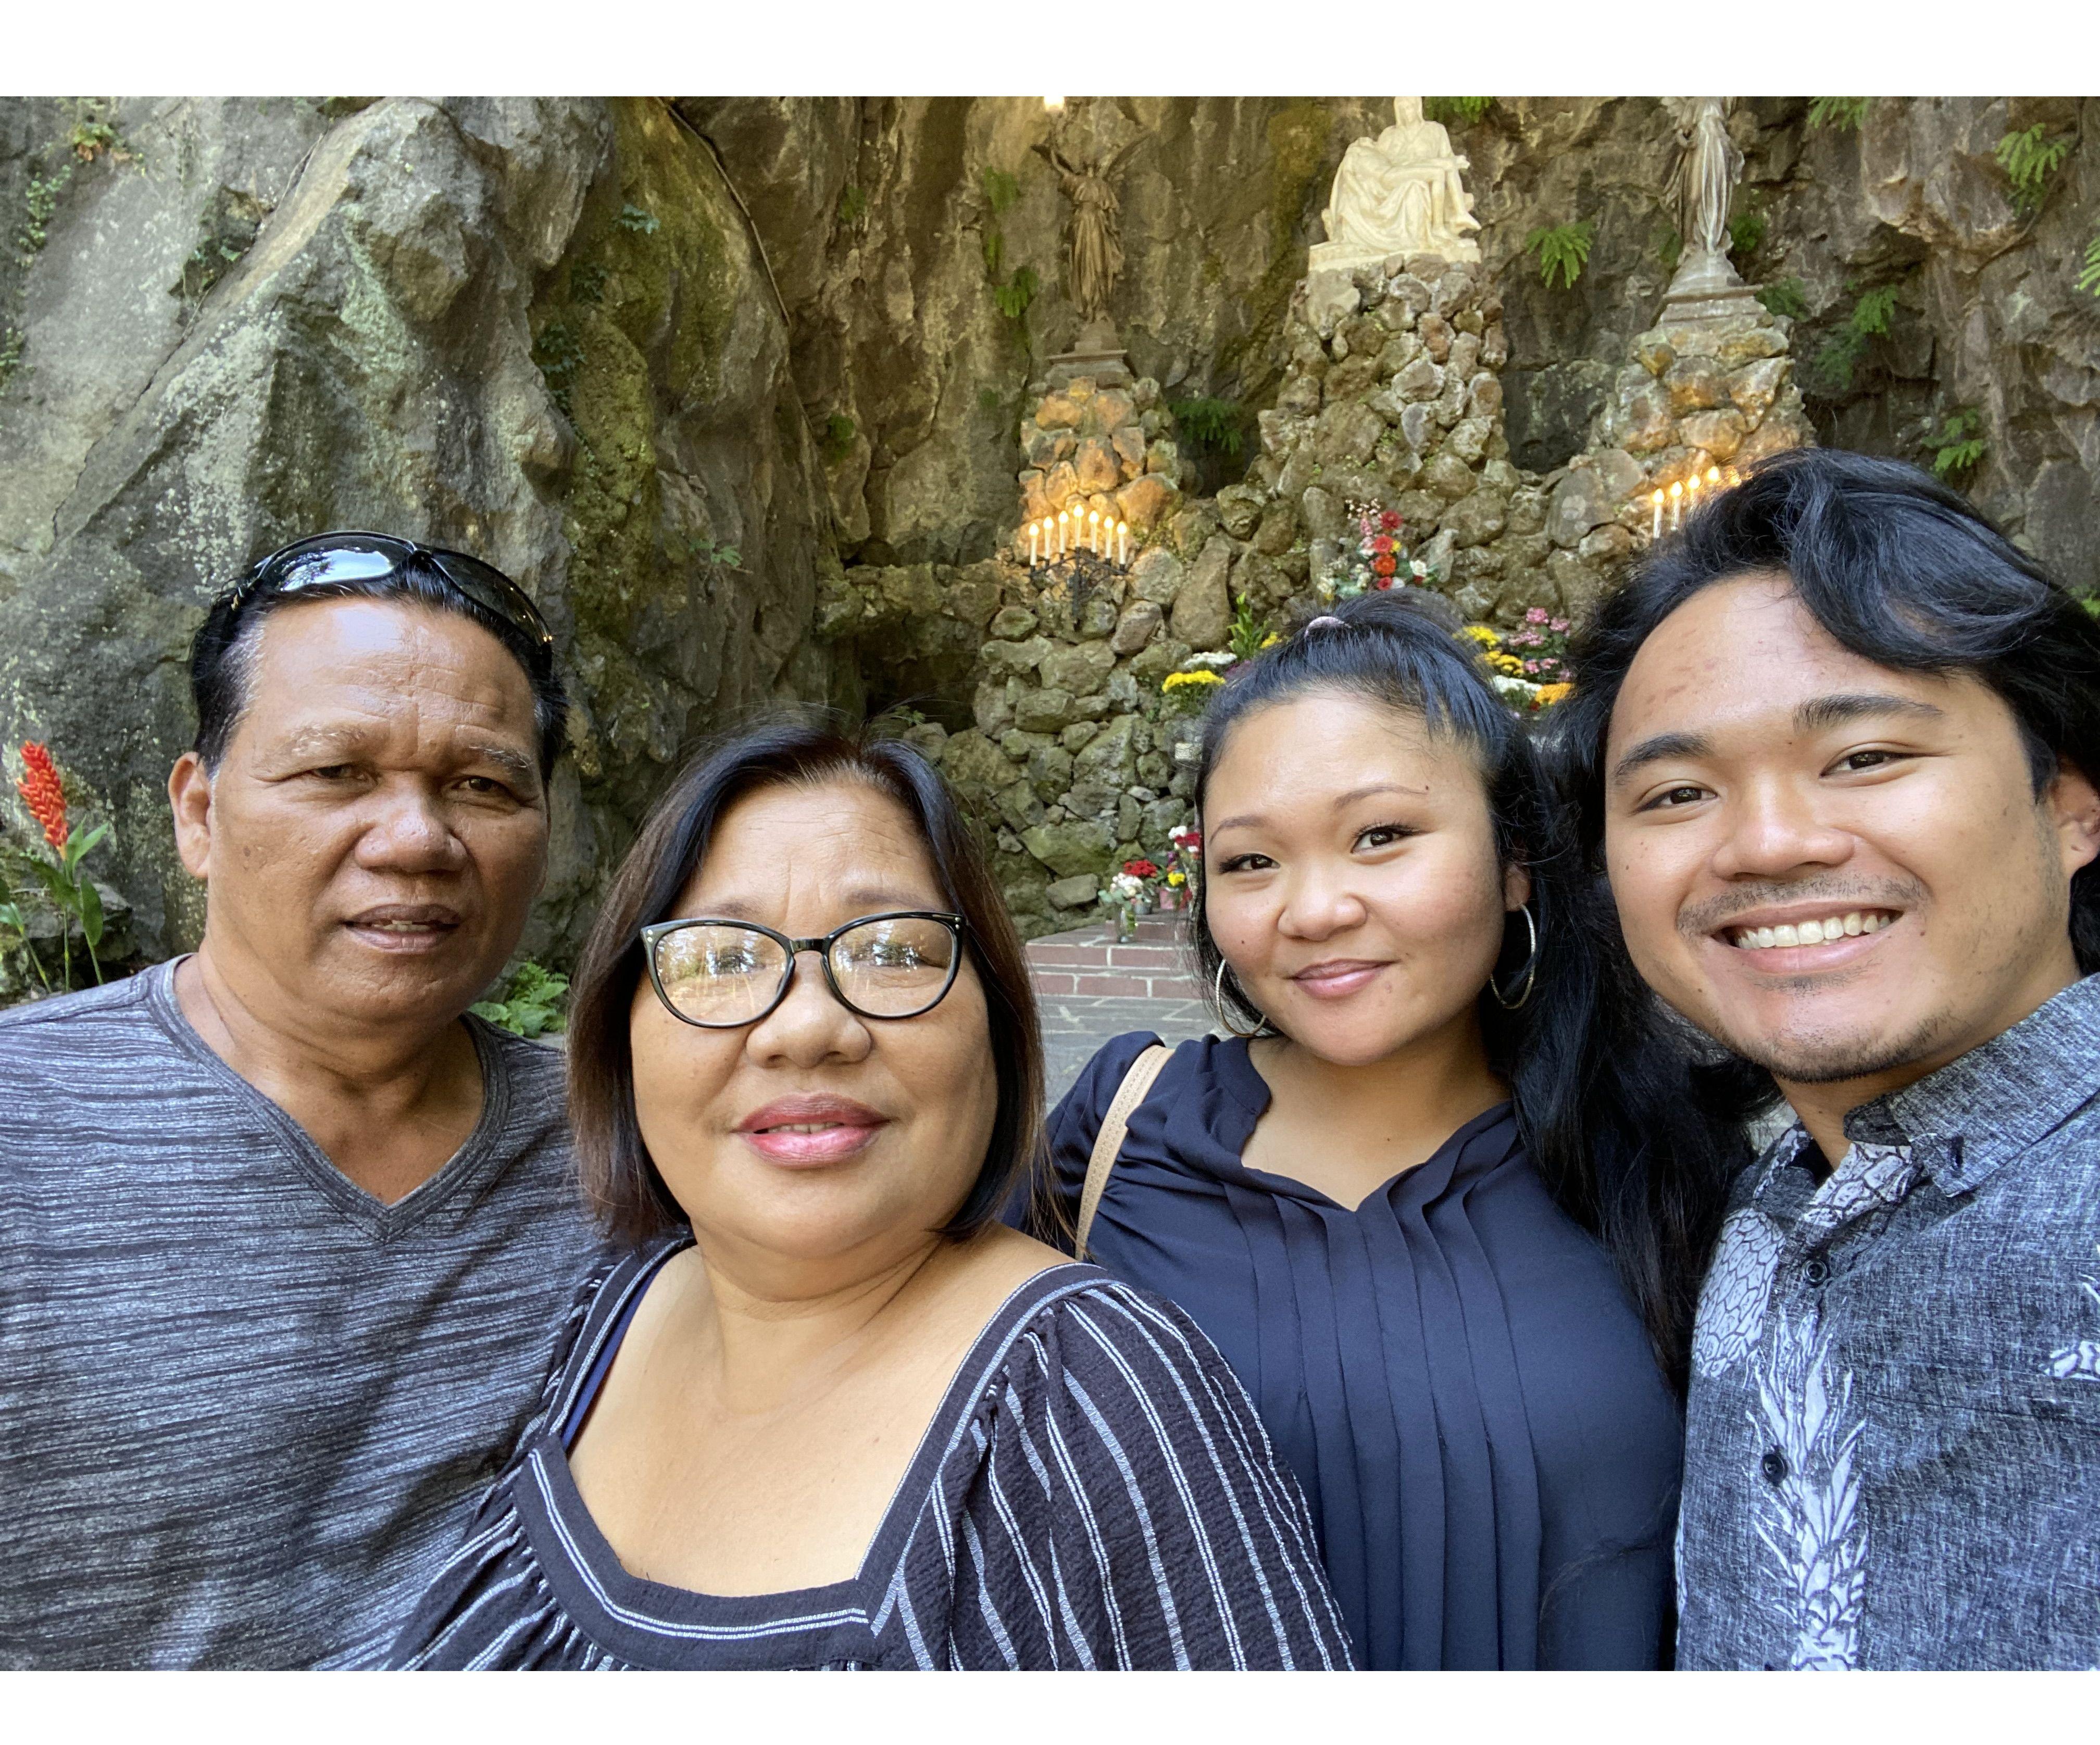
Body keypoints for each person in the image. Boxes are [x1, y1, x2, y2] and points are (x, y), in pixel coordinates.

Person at [390, 720, 1351, 1670]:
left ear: (995, 1021)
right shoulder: (611, 1308)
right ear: (619, 1031)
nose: (806, 1028)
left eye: (892, 951)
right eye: (722, 958)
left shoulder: (1098, 1399)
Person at [1023, 597, 1756, 1669]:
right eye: (1251, 862)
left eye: (1383, 837)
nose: (1312, 909)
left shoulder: (1662, 1152)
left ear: (1517, 861)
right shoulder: (1120, 1129)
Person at [0, 533, 609, 1669]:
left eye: (482, 786)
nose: (418, 839)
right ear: (198, 813)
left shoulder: (624, 1147)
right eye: (337, 773)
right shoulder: (23, 1127)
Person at [1557, 449, 2100, 1670]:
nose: (1770, 844)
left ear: (2071, 802)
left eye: (1864, 759)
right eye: (1679, 793)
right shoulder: (1758, 1207)